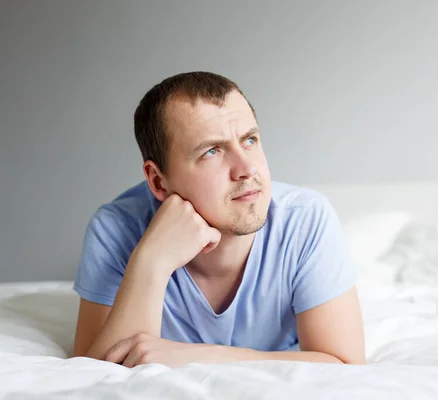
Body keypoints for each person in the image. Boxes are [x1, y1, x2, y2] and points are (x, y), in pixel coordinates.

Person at [71, 71, 366, 367]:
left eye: (250, 140)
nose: (247, 169)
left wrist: (201, 356)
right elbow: (95, 374)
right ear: (159, 182)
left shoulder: (304, 219)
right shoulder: (115, 228)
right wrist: (151, 262)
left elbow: (344, 365)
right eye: (212, 150)